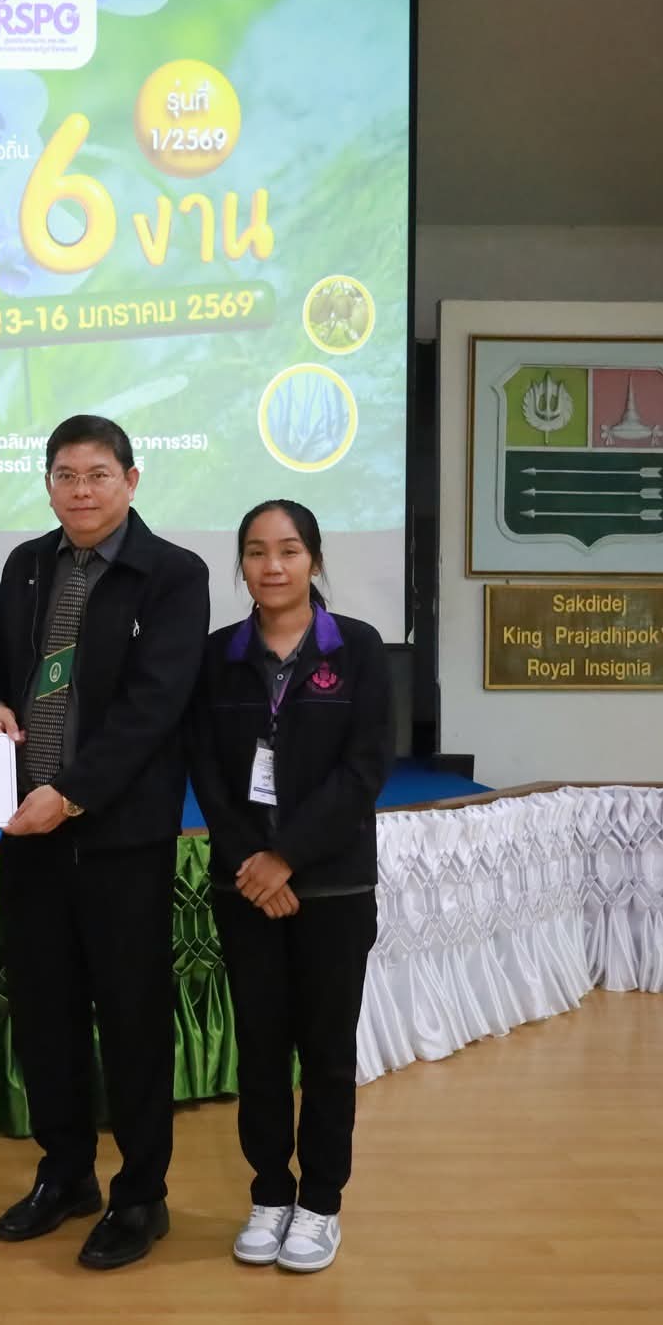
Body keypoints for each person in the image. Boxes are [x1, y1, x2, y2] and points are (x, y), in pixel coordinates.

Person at [0, 414, 209, 1270]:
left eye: (98, 474)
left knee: (132, 1016)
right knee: (46, 1013)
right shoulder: (27, 564)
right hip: (28, 831)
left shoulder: (173, 574)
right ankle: (65, 1172)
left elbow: (155, 706)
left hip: (119, 836)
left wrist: (69, 794)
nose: (81, 490)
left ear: (131, 481)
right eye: (65, 475)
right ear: (47, 484)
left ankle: (141, 1193)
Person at [186, 500, 392, 1274]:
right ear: (241, 563)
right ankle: (271, 1192)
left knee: (328, 1053)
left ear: (314, 559)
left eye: (289, 550)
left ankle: (321, 1202)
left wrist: (288, 857)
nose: (272, 565)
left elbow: (364, 769)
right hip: (246, 887)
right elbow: (206, 767)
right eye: (256, 551)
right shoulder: (217, 656)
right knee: (262, 1049)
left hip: (332, 888)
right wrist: (253, 860)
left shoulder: (359, 648)